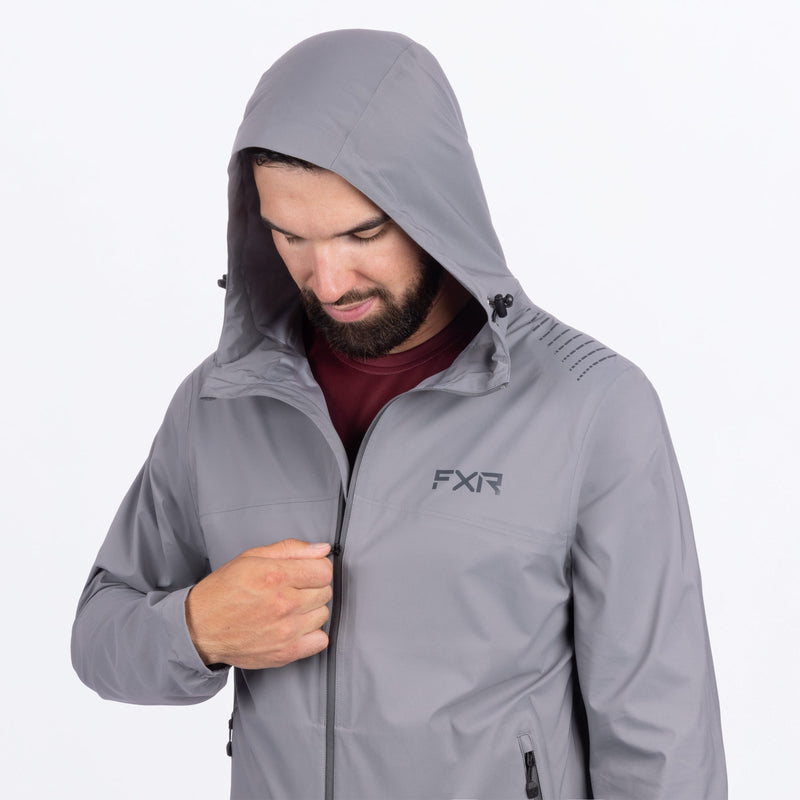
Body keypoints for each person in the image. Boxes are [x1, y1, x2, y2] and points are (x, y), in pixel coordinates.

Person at [71, 29, 727, 800]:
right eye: (291, 237)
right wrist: (197, 629)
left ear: (435, 206)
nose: (327, 280)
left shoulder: (591, 406)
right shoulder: (220, 404)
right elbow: (100, 634)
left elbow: (661, 737)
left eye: (362, 234)